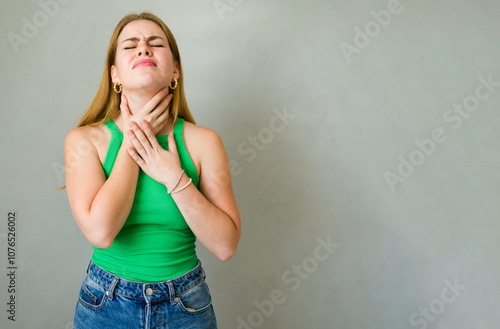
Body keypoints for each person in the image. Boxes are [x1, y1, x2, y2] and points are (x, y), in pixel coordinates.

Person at [64, 12, 241, 328]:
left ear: (175, 69)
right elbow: (102, 233)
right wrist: (137, 140)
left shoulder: (205, 143)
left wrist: (174, 177)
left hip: (186, 306)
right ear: (115, 74)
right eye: (131, 45)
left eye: (155, 43)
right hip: (106, 306)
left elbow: (225, 245)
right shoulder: (84, 141)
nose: (143, 49)